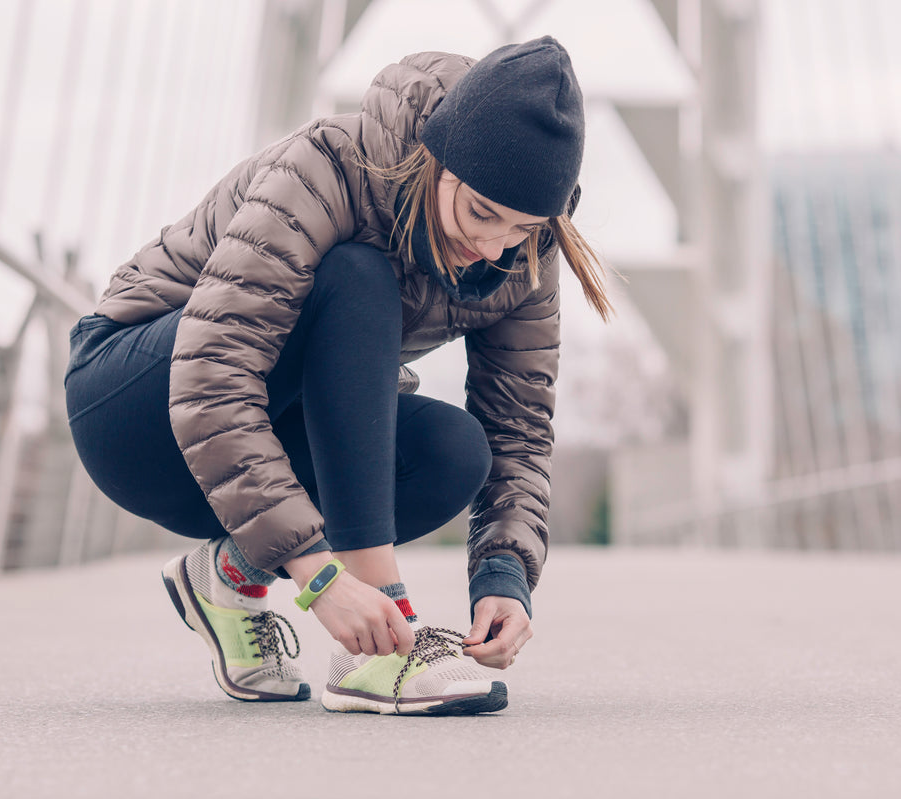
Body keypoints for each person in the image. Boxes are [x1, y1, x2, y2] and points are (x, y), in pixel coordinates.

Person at [65, 35, 611, 716]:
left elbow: (519, 428)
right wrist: (320, 577)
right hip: (133, 408)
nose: (496, 244)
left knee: (454, 452)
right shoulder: (331, 167)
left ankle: (230, 570)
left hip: (250, 441)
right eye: (481, 212)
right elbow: (212, 376)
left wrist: (505, 576)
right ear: (437, 160)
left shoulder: (522, 256)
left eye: (525, 228)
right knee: (357, 273)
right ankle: (380, 638)